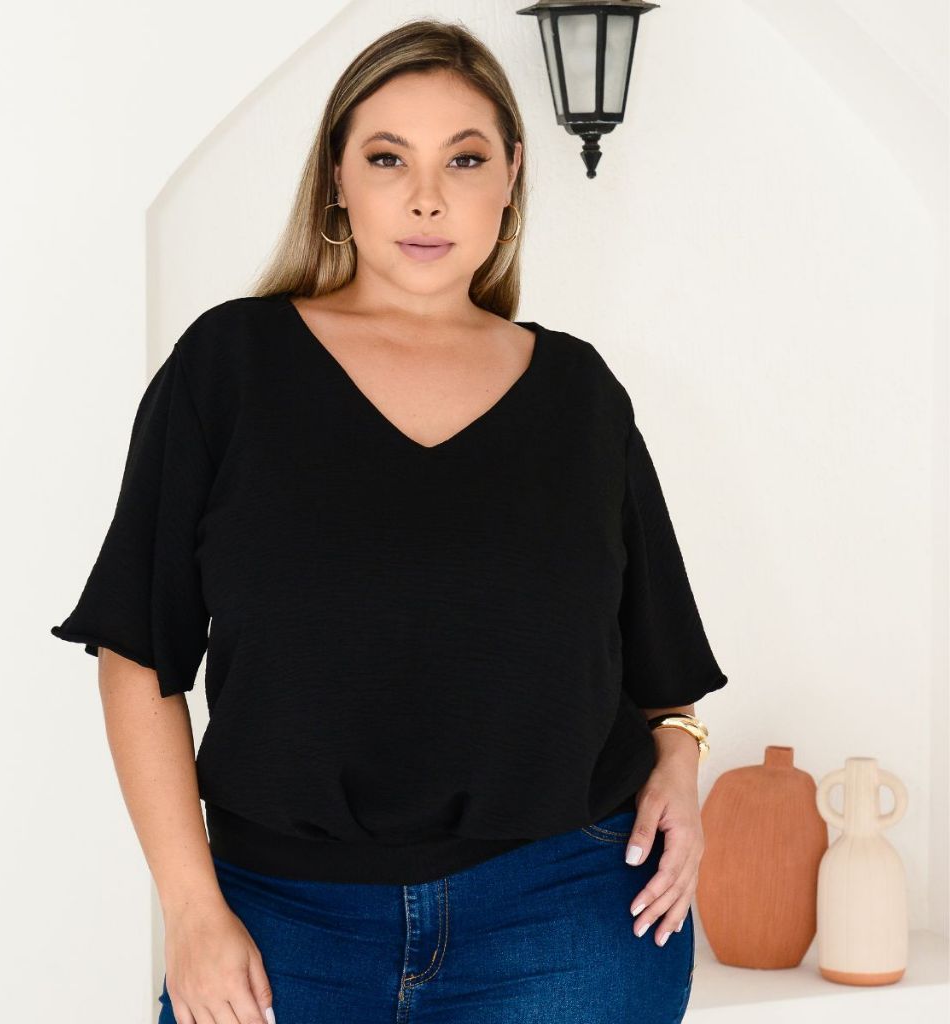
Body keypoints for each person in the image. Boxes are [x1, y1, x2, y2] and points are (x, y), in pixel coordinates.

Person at [50, 18, 728, 1024]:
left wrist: (681, 753)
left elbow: (658, 674)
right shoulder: (230, 368)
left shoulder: (579, 395)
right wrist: (191, 910)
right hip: (280, 922)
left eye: (464, 158)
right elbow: (138, 650)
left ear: (512, 175)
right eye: (386, 158)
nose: (426, 196)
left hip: (564, 917)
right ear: (336, 178)